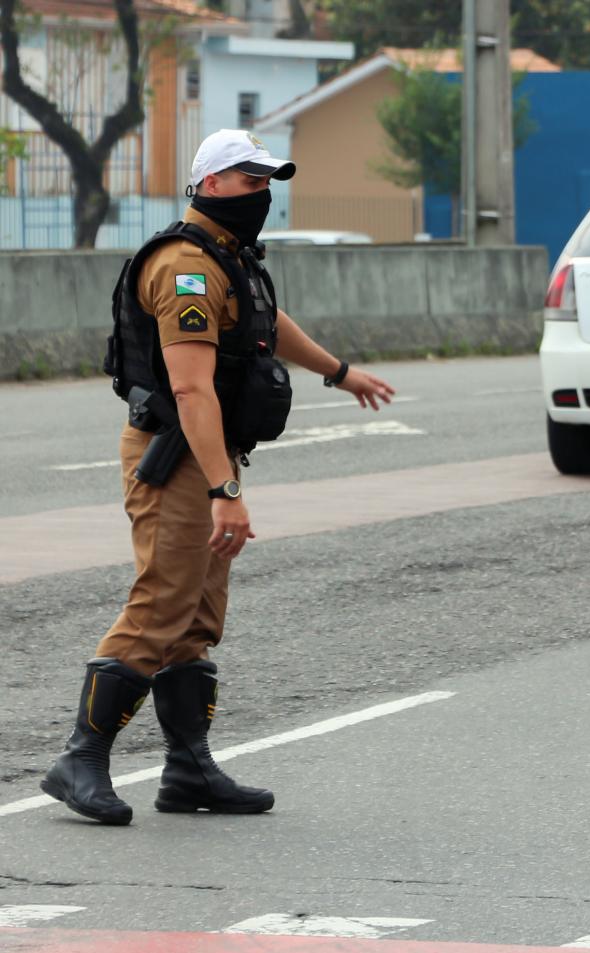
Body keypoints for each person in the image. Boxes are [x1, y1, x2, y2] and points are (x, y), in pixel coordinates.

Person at [40, 130, 397, 825]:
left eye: (266, 181)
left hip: (208, 456)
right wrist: (224, 491)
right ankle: (79, 759)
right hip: (178, 457)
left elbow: (265, 323)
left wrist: (339, 372)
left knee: (198, 619)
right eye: (245, 179)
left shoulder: (227, 260)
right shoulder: (185, 269)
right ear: (206, 184)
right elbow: (194, 390)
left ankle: (188, 771)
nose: (259, 192)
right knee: (161, 604)